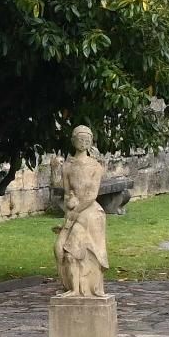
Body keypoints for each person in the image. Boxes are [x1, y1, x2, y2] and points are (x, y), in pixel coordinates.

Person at [54, 125, 110, 302]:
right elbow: (65, 192)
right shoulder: (67, 166)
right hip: (73, 212)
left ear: (91, 141)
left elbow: (92, 196)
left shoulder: (95, 166)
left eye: (87, 139)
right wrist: (69, 207)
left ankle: (81, 288)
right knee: (58, 248)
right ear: (73, 141)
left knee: (71, 249)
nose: (84, 141)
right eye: (80, 138)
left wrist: (76, 212)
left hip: (90, 213)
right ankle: (70, 286)